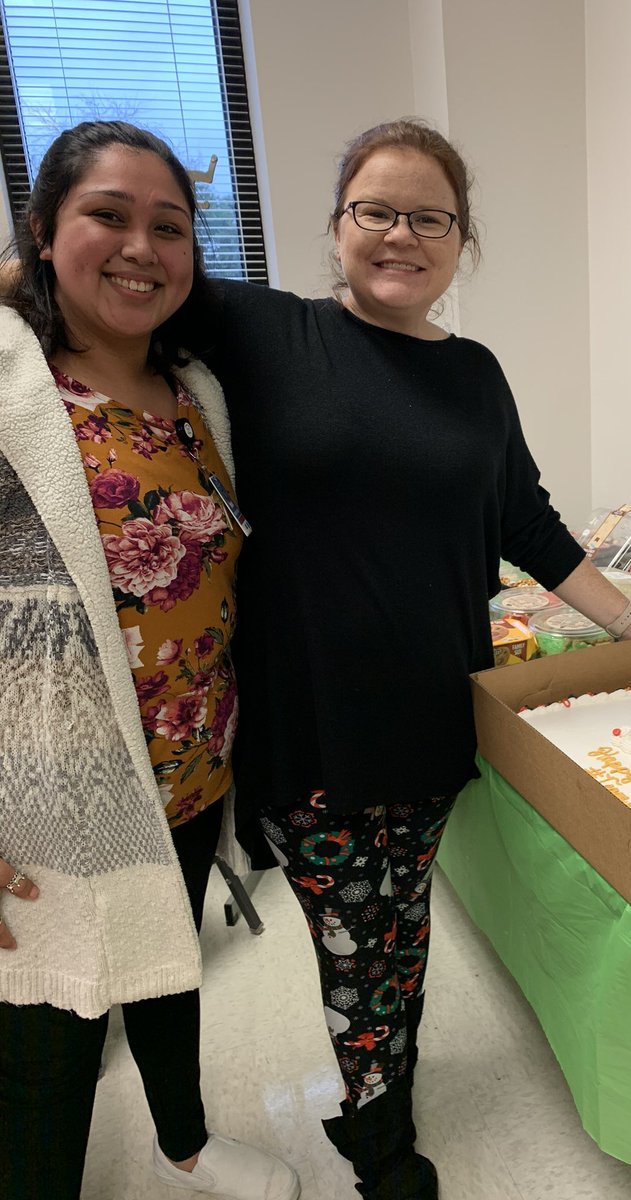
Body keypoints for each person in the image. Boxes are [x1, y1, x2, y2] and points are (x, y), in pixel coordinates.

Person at [206, 118, 631, 1200]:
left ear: (462, 240)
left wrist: (627, 621)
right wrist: (36, 262)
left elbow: (526, 517)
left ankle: (380, 1093)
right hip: (312, 717)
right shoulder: (266, 331)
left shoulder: (474, 373)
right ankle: (383, 1147)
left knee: (402, 924)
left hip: (432, 707)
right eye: (375, 211)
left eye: (429, 218)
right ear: (336, 225)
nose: (401, 235)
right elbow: (113, 280)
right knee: (353, 942)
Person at [0, 121, 299, 1200]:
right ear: (43, 231)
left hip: (189, 771)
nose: (141, 248)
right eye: (108, 216)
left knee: (171, 968)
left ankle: (186, 1143)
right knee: (50, 1046)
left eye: (169, 227)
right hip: (46, 800)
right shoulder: (12, 390)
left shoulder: (197, 392)